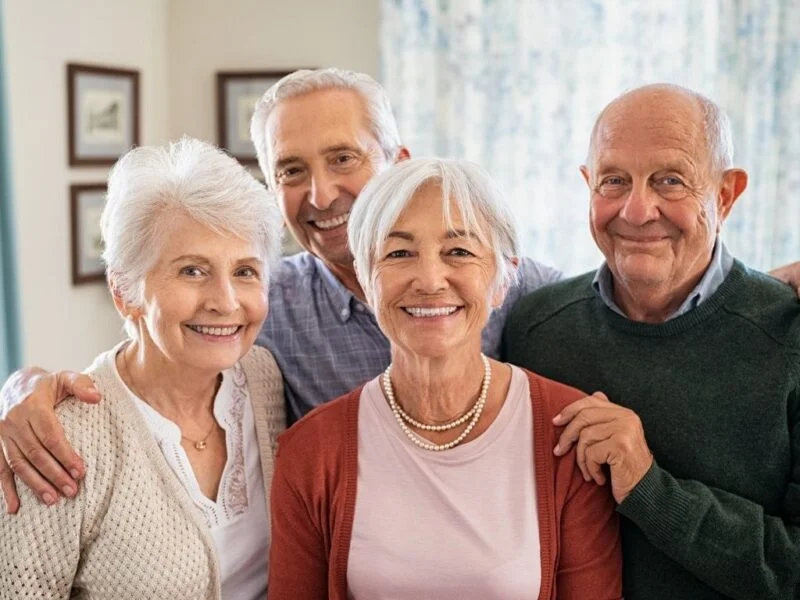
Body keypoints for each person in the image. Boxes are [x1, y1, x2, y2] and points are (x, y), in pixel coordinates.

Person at [1, 68, 800, 512]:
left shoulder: (513, 292)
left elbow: (636, 284)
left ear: (397, 158)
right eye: (291, 170)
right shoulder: (264, 304)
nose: (321, 194)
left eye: (344, 159)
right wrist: (31, 388)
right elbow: (156, 348)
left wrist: (766, 288)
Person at [269, 157, 622, 599]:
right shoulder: (309, 452)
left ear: (503, 277)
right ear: (364, 275)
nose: (430, 279)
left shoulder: (567, 435)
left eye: (459, 251)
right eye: (399, 253)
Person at [502, 84, 800, 599]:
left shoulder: (789, 338)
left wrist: (648, 486)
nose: (637, 211)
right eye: (614, 181)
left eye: (670, 180)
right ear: (587, 184)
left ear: (725, 194)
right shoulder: (536, 329)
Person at [0, 138, 286, 599]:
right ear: (124, 292)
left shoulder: (264, 378)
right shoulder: (59, 441)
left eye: (245, 271)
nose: (226, 302)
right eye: (192, 270)